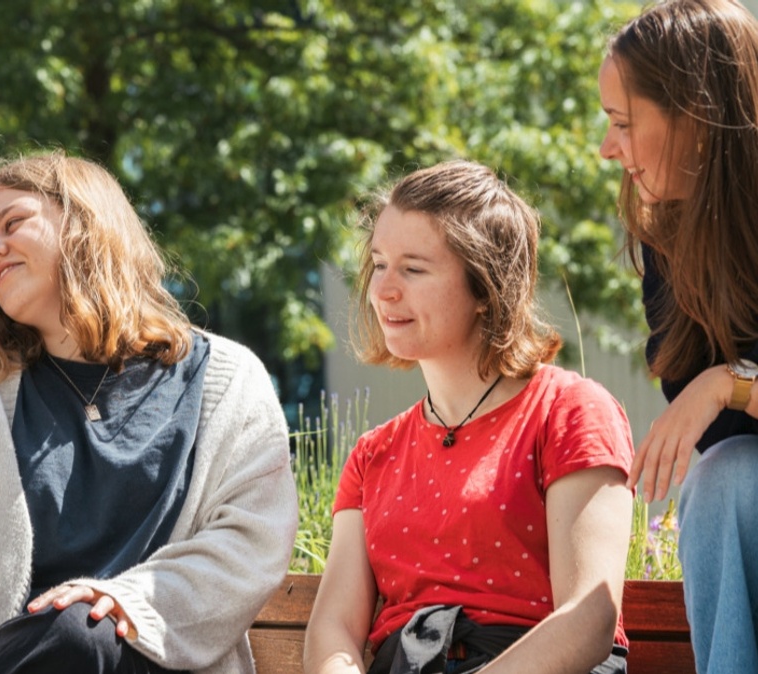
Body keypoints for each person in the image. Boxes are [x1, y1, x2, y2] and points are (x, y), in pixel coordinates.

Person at [0, 151, 298, 674]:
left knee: (81, 629)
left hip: (152, 658)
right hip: (6, 655)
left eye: (12, 224)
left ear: (83, 224)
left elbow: (250, 544)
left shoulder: (230, 382)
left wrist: (128, 603)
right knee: (74, 632)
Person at [302, 160, 635, 674]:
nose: (384, 290)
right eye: (379, 263)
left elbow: (587, 618)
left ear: (485, 288)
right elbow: (335, 628)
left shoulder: (568, 412)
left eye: (413, 269)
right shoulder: (374, 455)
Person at [598, 1, 758, 671]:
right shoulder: (671, 246)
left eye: (625, 124)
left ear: (695, 117)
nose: (609, 149)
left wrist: (731, 382)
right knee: (724, 480)